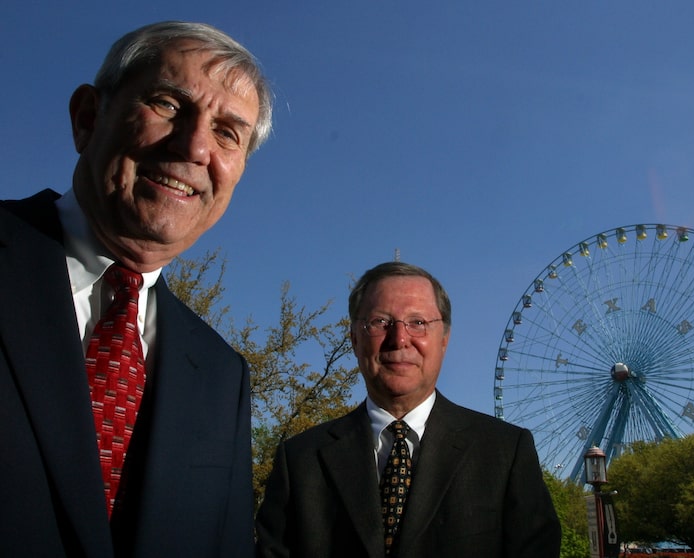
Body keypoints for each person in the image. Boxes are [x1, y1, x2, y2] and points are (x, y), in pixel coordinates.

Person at [0, 21, 273, 557]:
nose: (194, 147)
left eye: (227, 133)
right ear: (87, 117)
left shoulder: (223, 376)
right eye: (168, 105)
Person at [255, 262, 561, 557]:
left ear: (444, 340)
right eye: (380, 322)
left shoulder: (505, 453)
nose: (399, 339)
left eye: (418, 323)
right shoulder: (299, 461)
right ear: (354, 340)